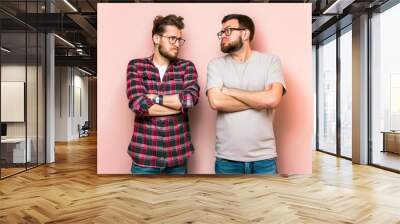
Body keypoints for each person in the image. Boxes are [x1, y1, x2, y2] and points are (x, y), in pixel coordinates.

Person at [206, 14, 287, 174]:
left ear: (245, 34)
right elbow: (216, 102)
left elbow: (272, 99)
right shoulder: (216, 65)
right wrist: (259, 100)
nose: (222, 36)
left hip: (264, 158)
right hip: (227, 159)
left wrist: (230, 91)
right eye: (221, 32)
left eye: (227, 31)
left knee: (266, 200)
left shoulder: (271, 61)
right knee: (227, 201)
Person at [126, 14, 200, 174]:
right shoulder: (136, 66)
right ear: (156, 38)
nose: (177, 44)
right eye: (172, 39)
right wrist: (177, 107)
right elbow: (139, 105)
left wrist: (156, 98)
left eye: (179, 40)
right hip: (144, 156)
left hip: (178, 156)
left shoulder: (187, 67)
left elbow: (188, 100)